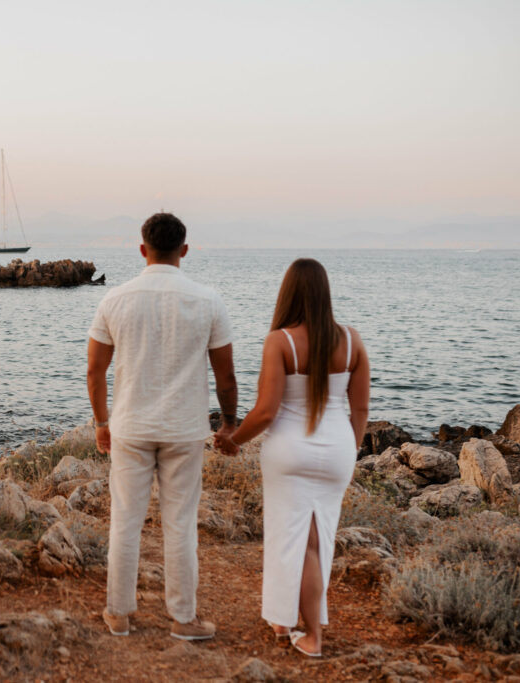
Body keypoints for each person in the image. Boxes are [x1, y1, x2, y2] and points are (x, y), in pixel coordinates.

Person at [87, 212, 238, 640]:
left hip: (130, 427)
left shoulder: (114, 300)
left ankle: (118, 614)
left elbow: (95, 371)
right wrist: (228, 424)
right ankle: (184, 619)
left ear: (142, 249)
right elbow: (226, 377)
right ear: (184, 250)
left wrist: (101, 423)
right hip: (184, 429)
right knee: (180, 524)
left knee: (125, 521)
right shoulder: (208, 300)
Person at [215, 258, 370, 658]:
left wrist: (234, 440)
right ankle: (284, 619)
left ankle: (310, 634)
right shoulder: (352, 341)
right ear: (325, 293)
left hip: (289, 450)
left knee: (290, 539)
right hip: (337, 448)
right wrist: (348, 452)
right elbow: (360, 412)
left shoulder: (280, 341)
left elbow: (266, 411)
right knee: (316, 542)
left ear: (288, 294)